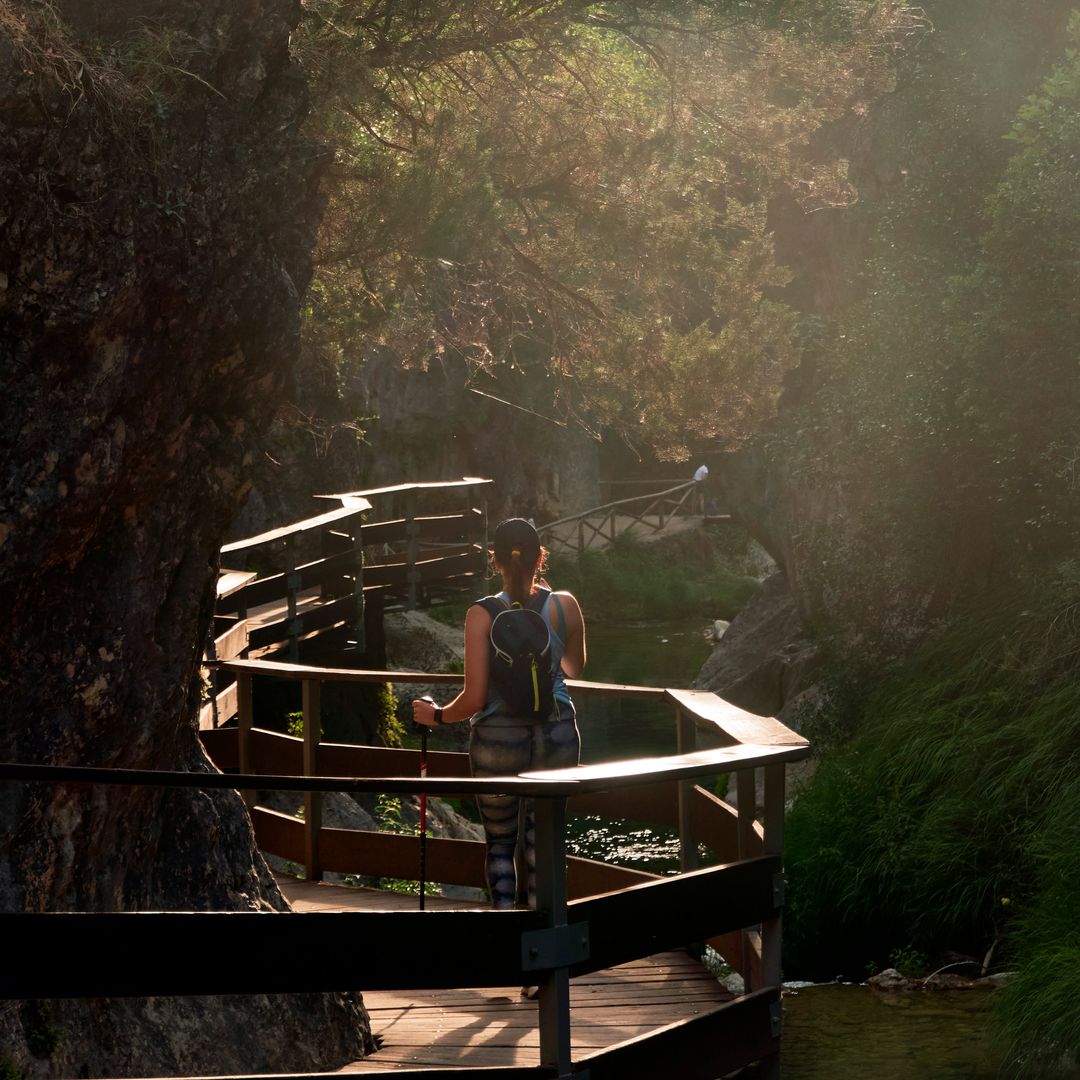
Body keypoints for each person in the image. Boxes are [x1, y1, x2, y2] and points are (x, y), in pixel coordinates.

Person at [412, 517, 586, 915]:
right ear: (541, 557)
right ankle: (549, 939)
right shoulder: (565, 605)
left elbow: (473, 700)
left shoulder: (482, 614)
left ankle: (505, 928)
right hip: (558, 735)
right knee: (543, 841)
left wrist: (437, 717)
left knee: (500, 842)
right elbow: (575, 668)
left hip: (497, 742)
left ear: (495, 561)